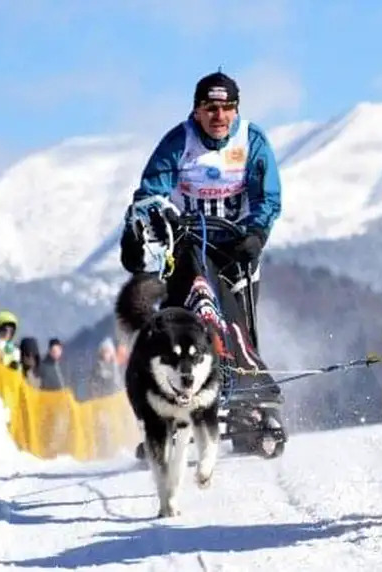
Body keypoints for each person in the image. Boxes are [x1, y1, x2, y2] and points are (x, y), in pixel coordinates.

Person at [118, 69, 286, 459]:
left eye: (227, 107)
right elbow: (149, 193)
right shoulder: (179, 143)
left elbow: (268, 197)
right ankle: (170, 405)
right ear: (196, 111)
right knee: (178, 315)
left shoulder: (252, 141)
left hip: (236, 246)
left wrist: (257, 235)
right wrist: (159, 219)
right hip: (187, 243)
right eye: (211, 108)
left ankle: (251, 400)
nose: (219, 115)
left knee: (237, 317)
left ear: (236, 110)